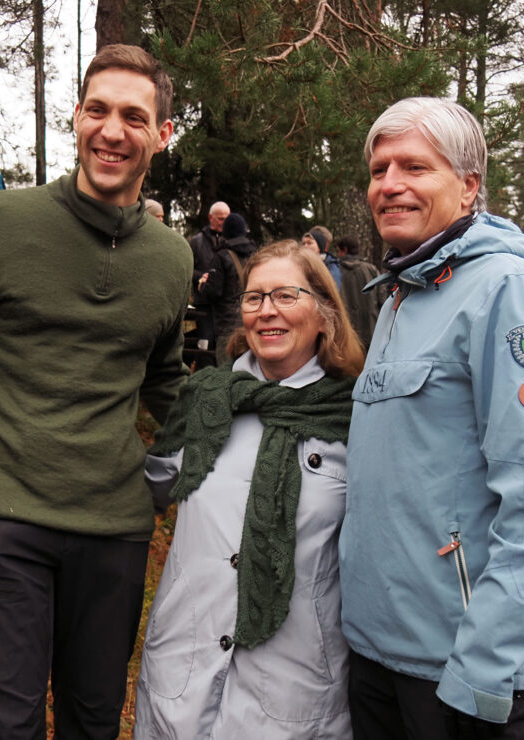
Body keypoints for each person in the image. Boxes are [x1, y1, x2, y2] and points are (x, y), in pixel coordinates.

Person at [0, 44, 191, 738]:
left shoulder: (171, 256)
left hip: (114, 531)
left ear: (162, 134)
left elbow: (165, 379)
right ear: (76, 117)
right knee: (5, 726)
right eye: (97, 110)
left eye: (132, 116)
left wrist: (198, 450)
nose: (112, 131)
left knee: (93, 726)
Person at [339, 97, 524, 739]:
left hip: (458, 668)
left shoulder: (510, 291)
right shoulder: (402, 295)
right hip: (379, 652)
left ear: (469, 184)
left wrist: (485, 667)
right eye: (379, 168)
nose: (389, 184)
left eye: (414, 167)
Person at [135, 240, 364, 738]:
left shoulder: (358, 419)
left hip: (294, 684)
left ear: (325, 313)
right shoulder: (204, 401)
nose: (267, 312)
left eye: (285, 295)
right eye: (254, 298)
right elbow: (139, 494)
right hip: (184, 669)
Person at [196, 212, 257, 361]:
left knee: (227, 371)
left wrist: (202, 285)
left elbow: (213, 291)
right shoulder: (255, 255)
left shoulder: (222, 256)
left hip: (227, 326)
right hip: (252, 324)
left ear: (226, 232)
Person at [188, 201, 230, 347]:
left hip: (225, 304)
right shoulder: (196, 242)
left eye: (227, 218)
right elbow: (187, 269)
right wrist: (202, 277)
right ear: (210, 217)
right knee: (205, 344)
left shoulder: (231, 242)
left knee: (225, 345)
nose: (224, 222)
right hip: (204, 304)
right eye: (221, 218)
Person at [333, 235, 383, 350]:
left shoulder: (335, 271)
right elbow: (383, 300)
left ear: (344, 249)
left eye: (338, 251)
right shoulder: (371, 269)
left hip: (345, 334)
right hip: (371, 332)